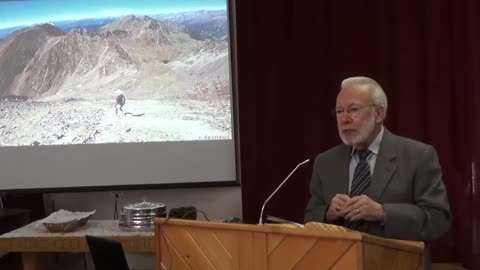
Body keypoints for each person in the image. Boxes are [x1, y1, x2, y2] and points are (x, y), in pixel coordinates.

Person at [304, 76, 451, 269]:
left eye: (353, 110)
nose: (344, 119)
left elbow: (438, 219)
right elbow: (309, 218)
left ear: (379, 113)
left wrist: (383, 212)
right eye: (339, 111)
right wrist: (327, 213)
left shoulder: (418, 156)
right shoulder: (325, 162)